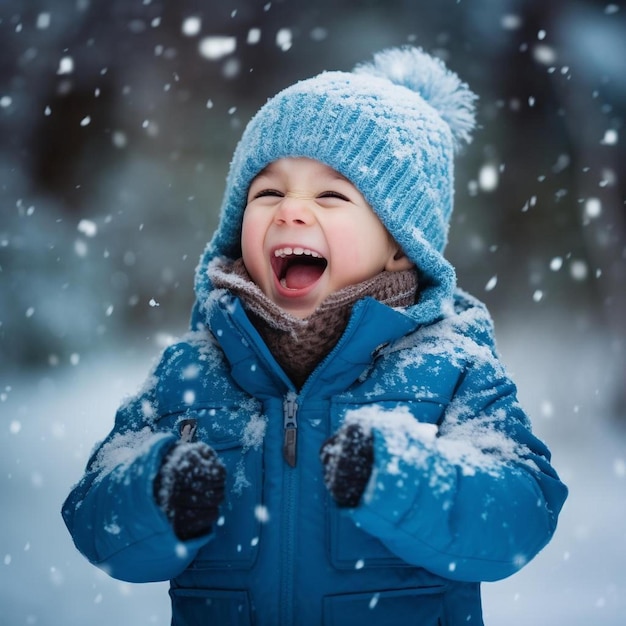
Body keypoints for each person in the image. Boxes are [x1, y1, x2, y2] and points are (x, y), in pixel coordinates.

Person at [62, 46, 568, 625]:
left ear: (402, 244)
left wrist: (400, 479)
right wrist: (157, 493)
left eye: (331, 195)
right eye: (268, 193)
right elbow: (91, 511)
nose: (290, 212)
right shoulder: (193, 371)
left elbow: (521, 513)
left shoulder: (450, 367)